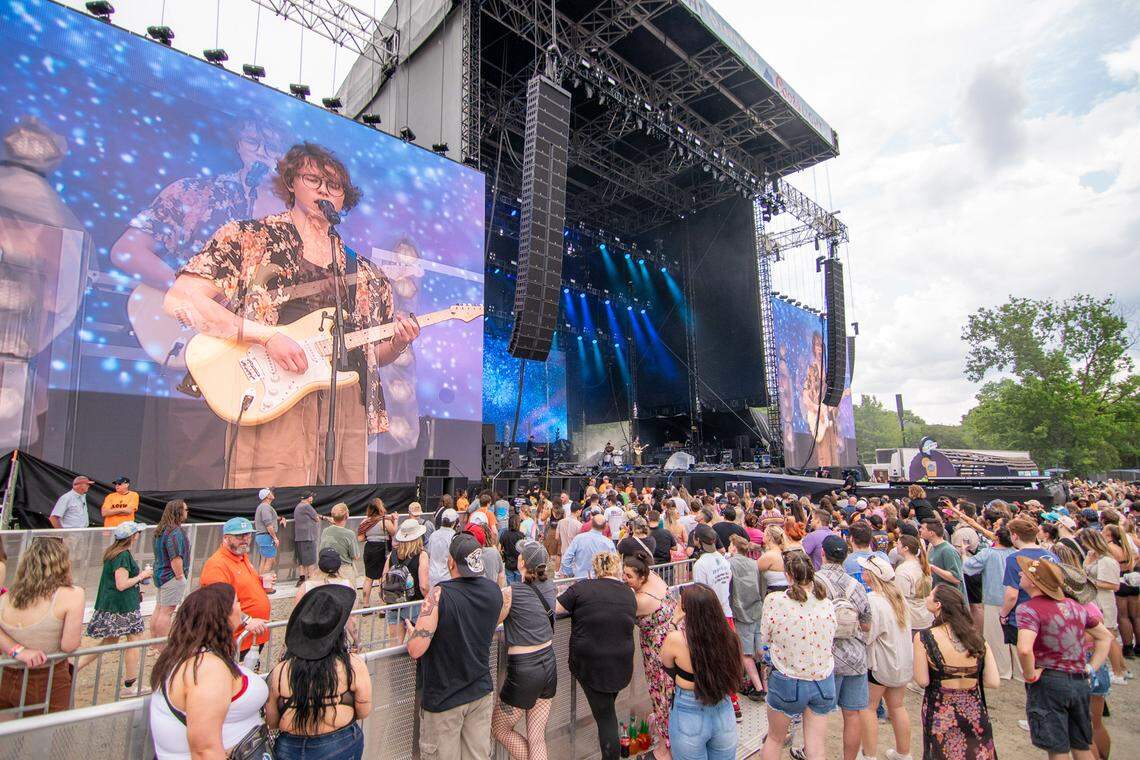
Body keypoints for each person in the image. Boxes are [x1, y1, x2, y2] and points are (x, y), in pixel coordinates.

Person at [165, 142, 421, 487]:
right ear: (290, 183)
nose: (324, 190)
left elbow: (372, 354)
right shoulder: (249, 237)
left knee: (340, 507)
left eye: (334, 185)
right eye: (313, 179)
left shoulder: (368, 274)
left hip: (343, 400)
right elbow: (183, 299)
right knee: (270, 494)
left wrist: (399, 345)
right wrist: (266, 336)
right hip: (271, 390)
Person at [406, 532, 505, 760]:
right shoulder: (493, 592)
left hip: (444, 696)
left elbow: (416, 649)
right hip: (479, 690)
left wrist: (414, 634)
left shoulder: (440, 594)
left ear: (451, 562)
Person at [149, 584, 271, 759]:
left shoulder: (184, 654)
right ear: (223, 616)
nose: (240, 607)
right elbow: (204, 749)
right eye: (237, 602)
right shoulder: (207, 668)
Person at [1015, 556, 1112, 759]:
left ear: (1034, 582)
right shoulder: (1076, 606)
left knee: (1058, 748)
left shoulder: (1029, 608)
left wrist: (1030, 674)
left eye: (1023, 572)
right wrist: (1091, 668)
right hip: (1078, 679)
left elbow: (1024, 649)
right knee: (1081, 745)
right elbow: (1105, 637)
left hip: (1049, 680)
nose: (1019, 574)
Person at [267, 584, 371, 760]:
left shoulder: (280, 672)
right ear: (338, 632)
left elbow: (272, 721)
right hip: (340, 741)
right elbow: (363, 711)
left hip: (292, 745)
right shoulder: (352, 666)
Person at [556, 551, 638, 760]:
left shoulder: (581, 588)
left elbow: (555, 607)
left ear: (595, 570)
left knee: (606, 716)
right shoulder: (628, 593)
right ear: (617, 569)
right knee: (606, 709)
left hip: (590, 663)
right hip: (621, 662)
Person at [759, 550, 837, 760]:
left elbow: (765, 635)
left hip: (788, 677)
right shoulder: (827, 603)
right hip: (822, 678)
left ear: (788, 576)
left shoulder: (775, 601)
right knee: (816, 746)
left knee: (775, 739)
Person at [0, 538, 85, 716]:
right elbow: (68, 645)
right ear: (63, 563)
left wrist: (17, 650)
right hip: (48, 677)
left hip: (6, 676)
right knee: (52, 738)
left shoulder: (7, 597)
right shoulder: (73, 594)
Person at [913, 585, 999, 760]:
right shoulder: (978, 639)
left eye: (930, 595)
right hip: (974, 710)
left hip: (940, 712)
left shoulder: (924, 637)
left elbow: (922, 681)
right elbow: (993, 681)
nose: (927, 598)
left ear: (938, 605)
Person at [659, 584, 742, 760]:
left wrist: (674, 622)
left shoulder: (677, 639)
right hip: (723, 706)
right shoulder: (730, 638)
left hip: (688, 709)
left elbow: (666, 663)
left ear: (686, 611)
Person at [493, 540, 558, 760]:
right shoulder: (551, 586)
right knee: (537, 735)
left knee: (499, 729)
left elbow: (493, 620)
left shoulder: (511, 593)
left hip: (525, 670)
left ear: (522, 562)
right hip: (548, 662)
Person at [816, 534, 871, 760]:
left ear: (823, 554)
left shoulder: (814, 583)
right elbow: (867, 624)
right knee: (853, 714)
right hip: (854, 655)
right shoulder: (856, 585)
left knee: (817, 715)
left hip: (824, 657)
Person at [81, 521, 151, 695]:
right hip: (123, 606)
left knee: (110, 640)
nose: (138, 536)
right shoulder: (122, 556)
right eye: (137, 533)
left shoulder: (114, 553)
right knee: (133, 639)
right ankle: (130, 685)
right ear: (132, 537)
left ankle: (74, 667)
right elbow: (121, 584)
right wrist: (142, 576)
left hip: (115, 604)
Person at [857, 555, 913, 760]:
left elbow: (869, 633)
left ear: (871, 576)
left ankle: (869, 754)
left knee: (868, 708)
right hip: (903, 662)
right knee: (897, 706)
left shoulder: (874, 601)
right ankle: (903, 752)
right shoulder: (899, 598)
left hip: (881, 663)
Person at [623, 550, 676, 758]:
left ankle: (665, 750)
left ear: (642, 576)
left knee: (661, 698)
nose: (625, 580)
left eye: (629, 576)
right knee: (669, 698)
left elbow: (620, 609)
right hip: (671, 646)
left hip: (657, 654)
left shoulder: (641, 600)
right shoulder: (654, 577)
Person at [198, 517, 271, 657]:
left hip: (252, 636)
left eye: (248, 534)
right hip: (233, 639)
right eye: (239, 536)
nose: (245, 539)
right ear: (226, 538)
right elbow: (219, 603)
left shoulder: (242, 556)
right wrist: (247, 621)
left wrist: (261, 584)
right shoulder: (217, 565)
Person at [1000, 517, 1057, 678]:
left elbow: (1012, 594)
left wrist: (1003, 614)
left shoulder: (1014, 558)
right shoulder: (1051, 556)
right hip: (1050, 613)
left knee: (1026, 657)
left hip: (1023, 615)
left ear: (1015, 536)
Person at [963, 527, 1017, 679]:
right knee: (1015, 636)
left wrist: (963, 555)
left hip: (994, 598)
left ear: (997, 538)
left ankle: (1001, 670)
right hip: (1015, 598)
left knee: (996, 638)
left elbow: (968, 567)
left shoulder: (989, 553)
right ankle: (1019, 672)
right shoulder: (1016, 553)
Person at [1079, 527, 1127, 681]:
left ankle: (1119, 671)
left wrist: (1091, 582)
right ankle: (1121, 668)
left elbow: (1114, 585)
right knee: (1104, 635)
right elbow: (1084, 570)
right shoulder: (1093, 556)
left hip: (1104, 601)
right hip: (1093, 600)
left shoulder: (1107, 560)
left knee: (1109, 636)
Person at [725, 535, 765, 700]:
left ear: (734, 547)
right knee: (760, 650)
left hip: (741, 611)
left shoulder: (729, 564)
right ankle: (765, 684)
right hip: (757, 607)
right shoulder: (754, 564)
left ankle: (758, 687)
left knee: (745, 653)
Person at [381, 520, 429, 641]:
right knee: (417, 643)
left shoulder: (392, 554)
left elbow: (383, 578)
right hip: (414, 604)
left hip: (394, 603)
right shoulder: (421, 555)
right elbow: (423, 585)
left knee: (395, 644)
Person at [152, 499, 191, 643]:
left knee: (159, 608)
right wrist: (180, 576)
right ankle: (163, 646)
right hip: (171, 576)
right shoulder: (175, 532)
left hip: (161, 574)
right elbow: (176, 557)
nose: (187, 513)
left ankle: (153, 643)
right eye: (185, 510)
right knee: (166, 611)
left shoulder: (161, 530)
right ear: (179, 512)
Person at [357, 498, 395, 608]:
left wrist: (370, 536)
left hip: (369, 548)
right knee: (382, 578)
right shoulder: (384, 521)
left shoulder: (364, 522)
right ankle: (382, 606)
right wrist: (395, 521)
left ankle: (366, 604)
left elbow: (360, 539)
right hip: (382, 549)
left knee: (368, 578)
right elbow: (394, 532)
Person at [894, 535, 933, 634]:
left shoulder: (903, 570)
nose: (896, 545)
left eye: (898, 543)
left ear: (906, 548)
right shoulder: (923, 565)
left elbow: (900, 598)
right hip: (927, 615)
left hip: (913, 620)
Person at [560, 513, 618, 578]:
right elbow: (615, 565)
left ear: (592, 524)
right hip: (599, 580)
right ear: (605, 527)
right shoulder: (608, 543)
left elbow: (566, 559)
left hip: (580, 579)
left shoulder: (579, 539)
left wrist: (571, 573)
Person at [921, 520, 967, 599]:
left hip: (952, 600)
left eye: (923, 528)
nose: (920, 530)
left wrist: (933, 568)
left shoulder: (948, 550)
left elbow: (956, 578)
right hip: (940, 598)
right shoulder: (932, 548)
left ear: (931, 533)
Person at [319, 502, 360, 587]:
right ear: (347, 516)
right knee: (350, 594)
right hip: (344, 569)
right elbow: (355, 556)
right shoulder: (349, 534)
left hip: (326, 568)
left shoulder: (325, 531)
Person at [292, 491, 324, 583]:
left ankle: (302, 579)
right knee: (310, 560)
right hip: (308, 537)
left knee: (302, 560)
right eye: (311, 497)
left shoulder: (299, 506)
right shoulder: (307, 506)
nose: (312, 498)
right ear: (309, 498)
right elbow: (316, 518)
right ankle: (312, 581)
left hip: (300, 537)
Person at [253, 488, 284, 576]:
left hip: (262, 536)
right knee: (269, 559)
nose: (272, 493)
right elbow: (268, 524)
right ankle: (264, 582)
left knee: (264, 559)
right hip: (266, 536)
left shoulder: (262, 507)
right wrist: (275, 538)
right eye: (270, 493)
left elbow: (272, 518)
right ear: (267, 496)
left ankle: (260, 581)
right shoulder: (265, 507)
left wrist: (281, 518)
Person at [425, 508, 459, 589]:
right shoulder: (454, 537)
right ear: (454, 522)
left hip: (432, 576)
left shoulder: (433, 535)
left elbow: (429, 553)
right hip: (447, 578)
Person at [757, 525, 790, 597]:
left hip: (776, 594)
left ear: (769, 537)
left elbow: (753, 569)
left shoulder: (769, 556)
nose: (763, 534)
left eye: (764, 533)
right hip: (788, 591)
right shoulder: (784, 552)